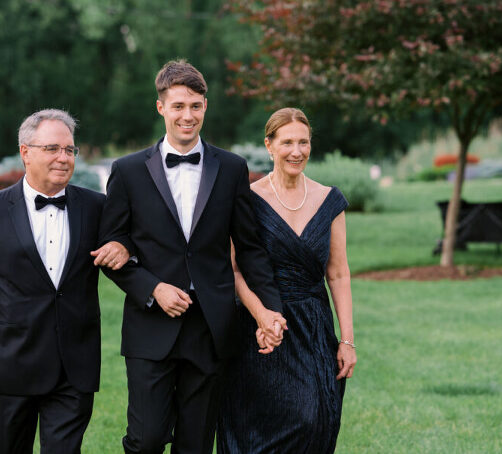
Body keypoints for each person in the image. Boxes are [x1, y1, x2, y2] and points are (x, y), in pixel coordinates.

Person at [96, 59, 285, 454]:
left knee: (196, 443)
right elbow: (112, 248)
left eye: (196, 106)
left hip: (211, 326)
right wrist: (152, 288)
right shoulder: (128, 171)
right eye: (179, 105)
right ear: (161, 106)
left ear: (205, 107)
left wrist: (270, 309)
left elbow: (249, 248)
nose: (188, 115)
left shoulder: (232, 168)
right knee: (146, 439)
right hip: (150, 325)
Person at [0, 109, 125, 453]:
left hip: (73, 368)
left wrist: (123, 245)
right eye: (52, 149)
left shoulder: (96, 208)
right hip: (7, 367)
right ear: (25, 152)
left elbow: (129, 247)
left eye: (69, 150)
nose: (63, 158)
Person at [216, 107, 357, 454]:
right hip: (260, 328)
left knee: (315, 420)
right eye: (288, 142)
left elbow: (338, 273)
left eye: (304, 142)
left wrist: (348, 340)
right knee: (257, 429)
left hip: (313, 328)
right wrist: (261, 315)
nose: (297, 151)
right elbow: (232, 270)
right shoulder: (247, 199)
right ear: (269, 145)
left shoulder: (329, 200)